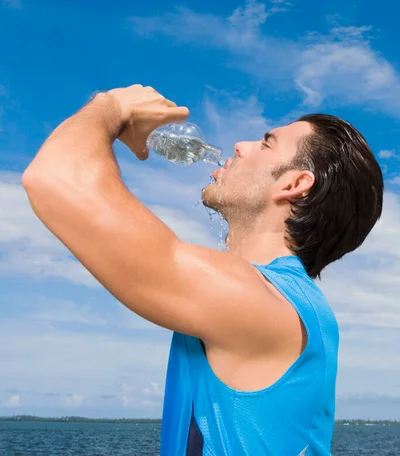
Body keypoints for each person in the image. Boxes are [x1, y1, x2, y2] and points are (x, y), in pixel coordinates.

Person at [22, 84, 384, 456]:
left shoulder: (257, 303)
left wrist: (111, 107)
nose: (241, 145)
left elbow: (54, 179)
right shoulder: (292, 305)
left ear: (294, 184)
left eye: (266, 143)